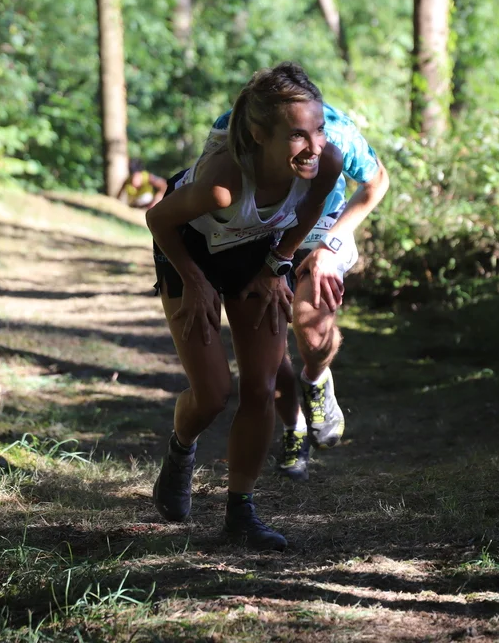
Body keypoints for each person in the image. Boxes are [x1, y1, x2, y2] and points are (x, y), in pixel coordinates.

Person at [146, 62, 342, 551]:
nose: (314, 145)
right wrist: (195, 282)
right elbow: (159, 219)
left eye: (319, 129)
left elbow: (312, 208)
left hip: (256, 250)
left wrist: (277, 264)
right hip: (189, 249)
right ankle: (181, 450)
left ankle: (241, 512)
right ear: (259, 135)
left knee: (263, 385)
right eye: (297, 135)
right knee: (213, 394)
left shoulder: (326, 163)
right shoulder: (224, 181)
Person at [205, 104, 389, 481]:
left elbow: (378, 181)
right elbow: (210, 185)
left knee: (311, 325)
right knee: (268, 339)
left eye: (314, 132)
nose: (311, 144)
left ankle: (317, 378)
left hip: (324, 227)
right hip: (260, 227)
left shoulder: (336, 131)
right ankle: (296, 428)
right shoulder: (232, 126)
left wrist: (331, 245)